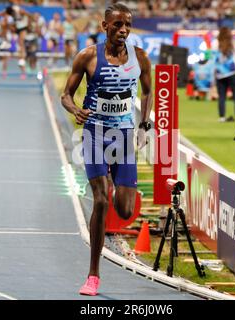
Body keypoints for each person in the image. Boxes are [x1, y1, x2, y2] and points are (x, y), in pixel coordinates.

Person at [60, 3, 152, 296]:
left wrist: (144, 124)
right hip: (96, 134)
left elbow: (148, 90)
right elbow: (66, 95)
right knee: (100, 201)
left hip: (124, 137)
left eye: (127, 25)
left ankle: (113, 180)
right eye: (117, 25)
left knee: (124, 210)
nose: (123, 30)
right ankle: (93, 276)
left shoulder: (139, 58)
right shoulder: (87, 57)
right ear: (105, 26)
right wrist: (75, 109)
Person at [213, 26, 235, 123]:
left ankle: (222, 117)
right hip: (232, 73)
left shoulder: (215, 42)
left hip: (220, 74)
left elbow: (213, 58)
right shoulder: (234, 41)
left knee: (221, 96)